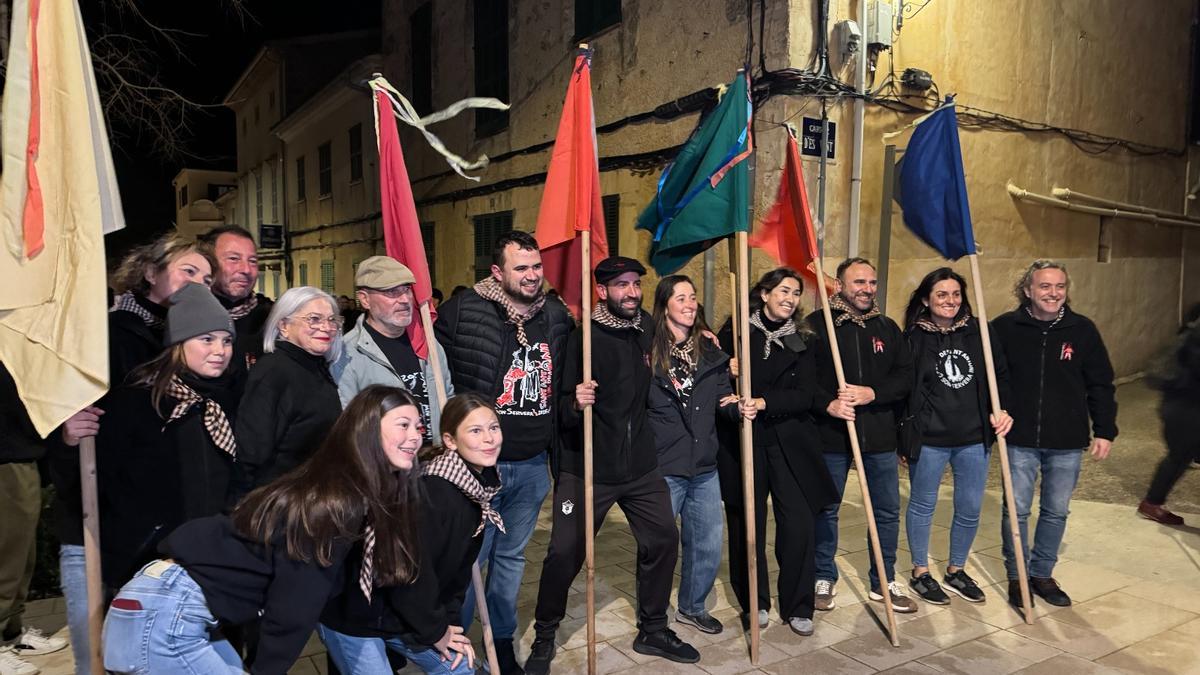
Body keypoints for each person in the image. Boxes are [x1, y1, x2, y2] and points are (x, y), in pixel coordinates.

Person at [101, 385, 423, 674]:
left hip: (163, 603)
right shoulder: (335, 503)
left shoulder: (338, 486)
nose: (415, 436)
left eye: (418, 426)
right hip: (165, 612)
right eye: (403, 425)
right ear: (367, 431)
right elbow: (295, 605)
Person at [525, 256, 697, 674]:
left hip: (639, 467)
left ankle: (653, 629)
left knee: (662, 541)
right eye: (621, 285)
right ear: (602, 291)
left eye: (635, 284)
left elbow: (687, 343)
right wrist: (574, 401)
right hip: (585, 468)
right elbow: (557, 410)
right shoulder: (582, 337)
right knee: (564, 553)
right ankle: (544, 637)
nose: (631, 292)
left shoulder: (646, 330)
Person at [434, 231, 573, 674]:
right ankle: (453, 646)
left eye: (536, 267)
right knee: (468, 560)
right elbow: (428, 359)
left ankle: (501, 640)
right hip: (476, 468)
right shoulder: (463, 310)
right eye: (521, 268)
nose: (532, 276)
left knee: (511, 559)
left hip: (532, 465)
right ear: (498, 272)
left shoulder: (554, 313)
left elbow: (578, 358)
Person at [62, 283, 241, 590]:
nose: (219, 351)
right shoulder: (139, 401)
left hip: (209, 558)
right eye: (206, 339)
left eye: (227, 341)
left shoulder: (226, 399)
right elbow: (99, 476)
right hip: (147, 564)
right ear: (178, 343)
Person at [319, 392, 504, 674]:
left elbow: (457, 573)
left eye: (494, 427)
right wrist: (436, 631)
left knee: (461, 669)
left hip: (401, 613)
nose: (490, 439)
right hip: (357, 617)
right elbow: (410, 574)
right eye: (476, 431)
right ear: (450, 440)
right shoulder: (434, 493)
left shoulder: (476, 490)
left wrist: (450, 623)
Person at [717, 268, 838, 636]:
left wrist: (764, 401)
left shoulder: (805, 339)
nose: (790, 298)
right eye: (784, 290)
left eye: (797, 293)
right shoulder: (735, 332)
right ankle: (755, 602)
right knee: (747, 524)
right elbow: (711, 383)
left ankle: (799, 604)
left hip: (791, 442)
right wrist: (727, 370)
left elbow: (805, 395)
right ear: (765, 293)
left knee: (798, 523)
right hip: (745, 440)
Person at [992, 260, 1116, 608]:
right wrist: (996, 410)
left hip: (1066, 439)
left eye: (1059, 287)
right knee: (1015, 511)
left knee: (1056, 510)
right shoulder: (1005, 328)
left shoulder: (1083, 330)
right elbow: (991, 377)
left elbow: (1101, 384)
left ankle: (1042, 574)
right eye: (1045, 287)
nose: (1053, 293)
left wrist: (1104, 429)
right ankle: (1017, 575)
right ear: (1028, 290)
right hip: (1018, 439)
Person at [807, 257, 917, 614]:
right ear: (839, 286)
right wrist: (828, 404)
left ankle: (883, 578)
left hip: (880, 436)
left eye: (871, 282)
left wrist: (873, 393)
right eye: (859, 282)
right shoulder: (816, 327)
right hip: (831, 435)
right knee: (826, 507)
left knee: (885, 511)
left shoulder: (887, 328)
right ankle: (823, 575)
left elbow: (905, 377)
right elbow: (801, 380)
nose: (867, 289)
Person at [648, 275, 755, 636]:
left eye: (693, 297)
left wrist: (737, 407)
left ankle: (692, 607)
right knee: (659, 546)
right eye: (681, 298)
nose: (690, 304)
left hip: (705, 465)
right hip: (664, 464)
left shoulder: (709, 351)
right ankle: (653, 616)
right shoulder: (646, 350)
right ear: (664, 306)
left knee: (707, 542)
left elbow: (722, 398)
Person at [900, 268, 1013, 606]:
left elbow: (1001, 375)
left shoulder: (980, 332)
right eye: (941, 295)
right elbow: (904, 391)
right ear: (926, 300)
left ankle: (956, 570)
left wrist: (1003, 409)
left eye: (955, 294)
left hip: (973, 436)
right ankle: (920, 571)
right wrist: (902, 439)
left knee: (969, 506)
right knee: (922, 505)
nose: (950, 301)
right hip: (930, 438)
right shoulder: (913, 338)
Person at [231, 286, 343, 502]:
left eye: (332, 320)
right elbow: (251, 453)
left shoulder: (316, 367)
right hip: (279, 505)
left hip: (311, 500)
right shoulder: (273, 372)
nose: (326, 327)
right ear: (283, 325)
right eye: (314, 319)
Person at [335, 257, 453, 443]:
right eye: (391, 292)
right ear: (365, 299)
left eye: (407, 289)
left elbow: (447, 397)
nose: (405, 299)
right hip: (382, 466)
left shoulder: (428, 343)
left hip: (436, 459)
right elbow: (346, 423)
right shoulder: (347, 354)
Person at [0, 365, 66, 675]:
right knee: (7, 555)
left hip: (21, 454)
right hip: (6, 457)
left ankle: (11, 632)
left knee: (22, 555)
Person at [107, 231, 217, 384]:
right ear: (151, 273)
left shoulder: (205, 335)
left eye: (207, 281)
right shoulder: (112, 330)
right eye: (189, 271)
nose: (199, 284)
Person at [1139, 320, 1200, 525]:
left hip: (1182, 405)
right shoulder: (1197, 336)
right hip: (1186, 408)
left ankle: (1152, 503)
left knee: (1179, 457)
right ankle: (1152, 503)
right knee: (1178, 457)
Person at [199, 225, 274, 370]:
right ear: (208, 263)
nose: (246, 270)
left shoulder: (271, 318)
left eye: (252, 261)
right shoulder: (186, 318)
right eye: (233, 259)